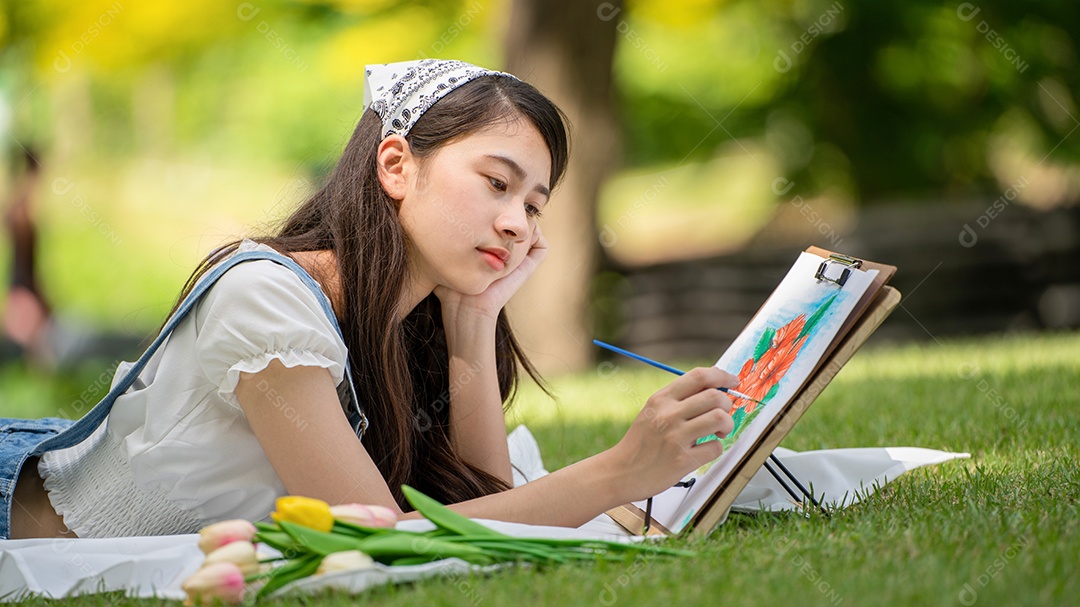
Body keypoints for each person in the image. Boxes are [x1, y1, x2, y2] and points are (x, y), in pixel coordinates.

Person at [2, 59, 736, 540]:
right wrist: (618, 471)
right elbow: (377, 537)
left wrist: (473, 317)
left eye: (535, 205)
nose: (518, 223)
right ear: (395, 164)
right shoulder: (266, 300)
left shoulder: (409, 317)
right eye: (496, 182)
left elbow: (482, 498)